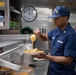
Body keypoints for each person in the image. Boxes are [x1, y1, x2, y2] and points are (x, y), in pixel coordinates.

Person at [34, 6, 76, 75]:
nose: (54, 20)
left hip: (64, 73)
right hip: (53, 70)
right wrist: (39, 34)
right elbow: (44, 38)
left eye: (57, 18)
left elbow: (68, 60)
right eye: (54, 18)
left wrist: (46, 56)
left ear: (65, 18)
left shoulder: (71, 35)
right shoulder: (56, 31)